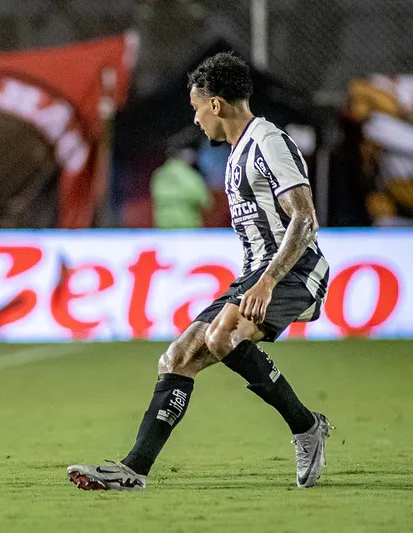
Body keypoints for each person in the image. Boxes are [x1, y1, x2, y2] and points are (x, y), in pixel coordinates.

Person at [67, 52, 331, 491]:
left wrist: (267, 280)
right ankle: (134, 470)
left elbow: (304, 219)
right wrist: (256, 277)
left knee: (221, 335)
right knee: (177, 358)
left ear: (215, 104)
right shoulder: (236, 153)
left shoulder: (268, 142)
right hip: (255, 274)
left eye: (195, 109)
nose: (195, 121)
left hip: (295, 271)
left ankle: (306, 429)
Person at [150, 145, 212, 229]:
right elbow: (205, 202)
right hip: (186, 225)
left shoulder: (159, 174)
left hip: (163, 224)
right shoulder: (190, 175)